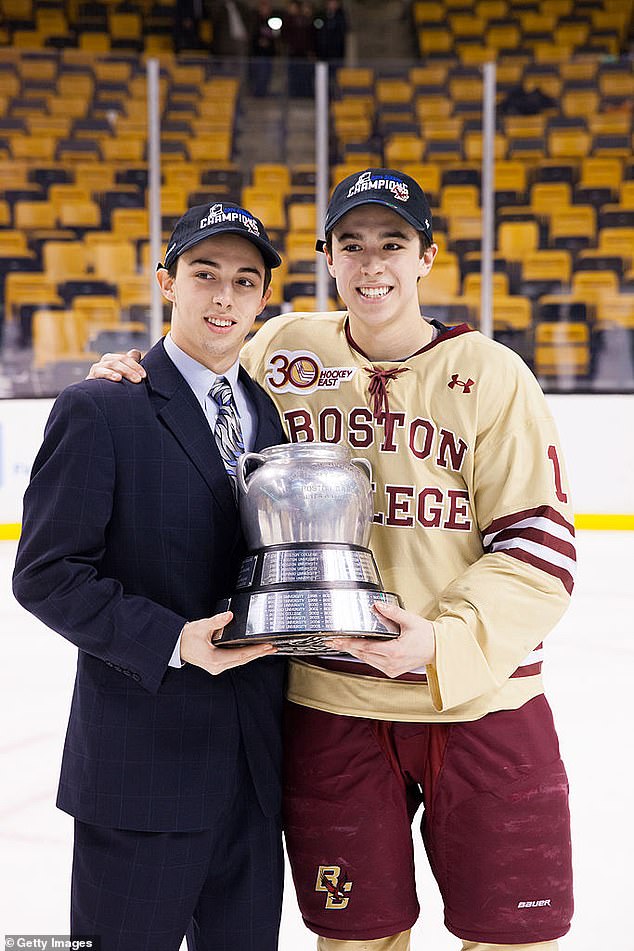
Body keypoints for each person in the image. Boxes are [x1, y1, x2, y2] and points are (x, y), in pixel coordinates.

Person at [89, 168, 576, 951]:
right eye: (352, 245)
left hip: (482, 699)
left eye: (393, 244)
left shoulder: (492, 374)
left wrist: (442, 642)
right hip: (331, 702)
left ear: (427, 257)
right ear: (327, 258)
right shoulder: (284, 350)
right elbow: (192, 382)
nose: (372, 263)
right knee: (356, 938)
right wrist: (126, 375)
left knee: (512, 938)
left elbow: (540, 542)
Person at [13, 201, 288, 951]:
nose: (223, 296)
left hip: (255, 780)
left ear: (264, 299)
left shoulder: (270, 415)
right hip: (142, 779)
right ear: (166, 281)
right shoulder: (102, 406)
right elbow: (45, 573)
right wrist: (174, 640)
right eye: (205, 275)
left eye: (244, 280)